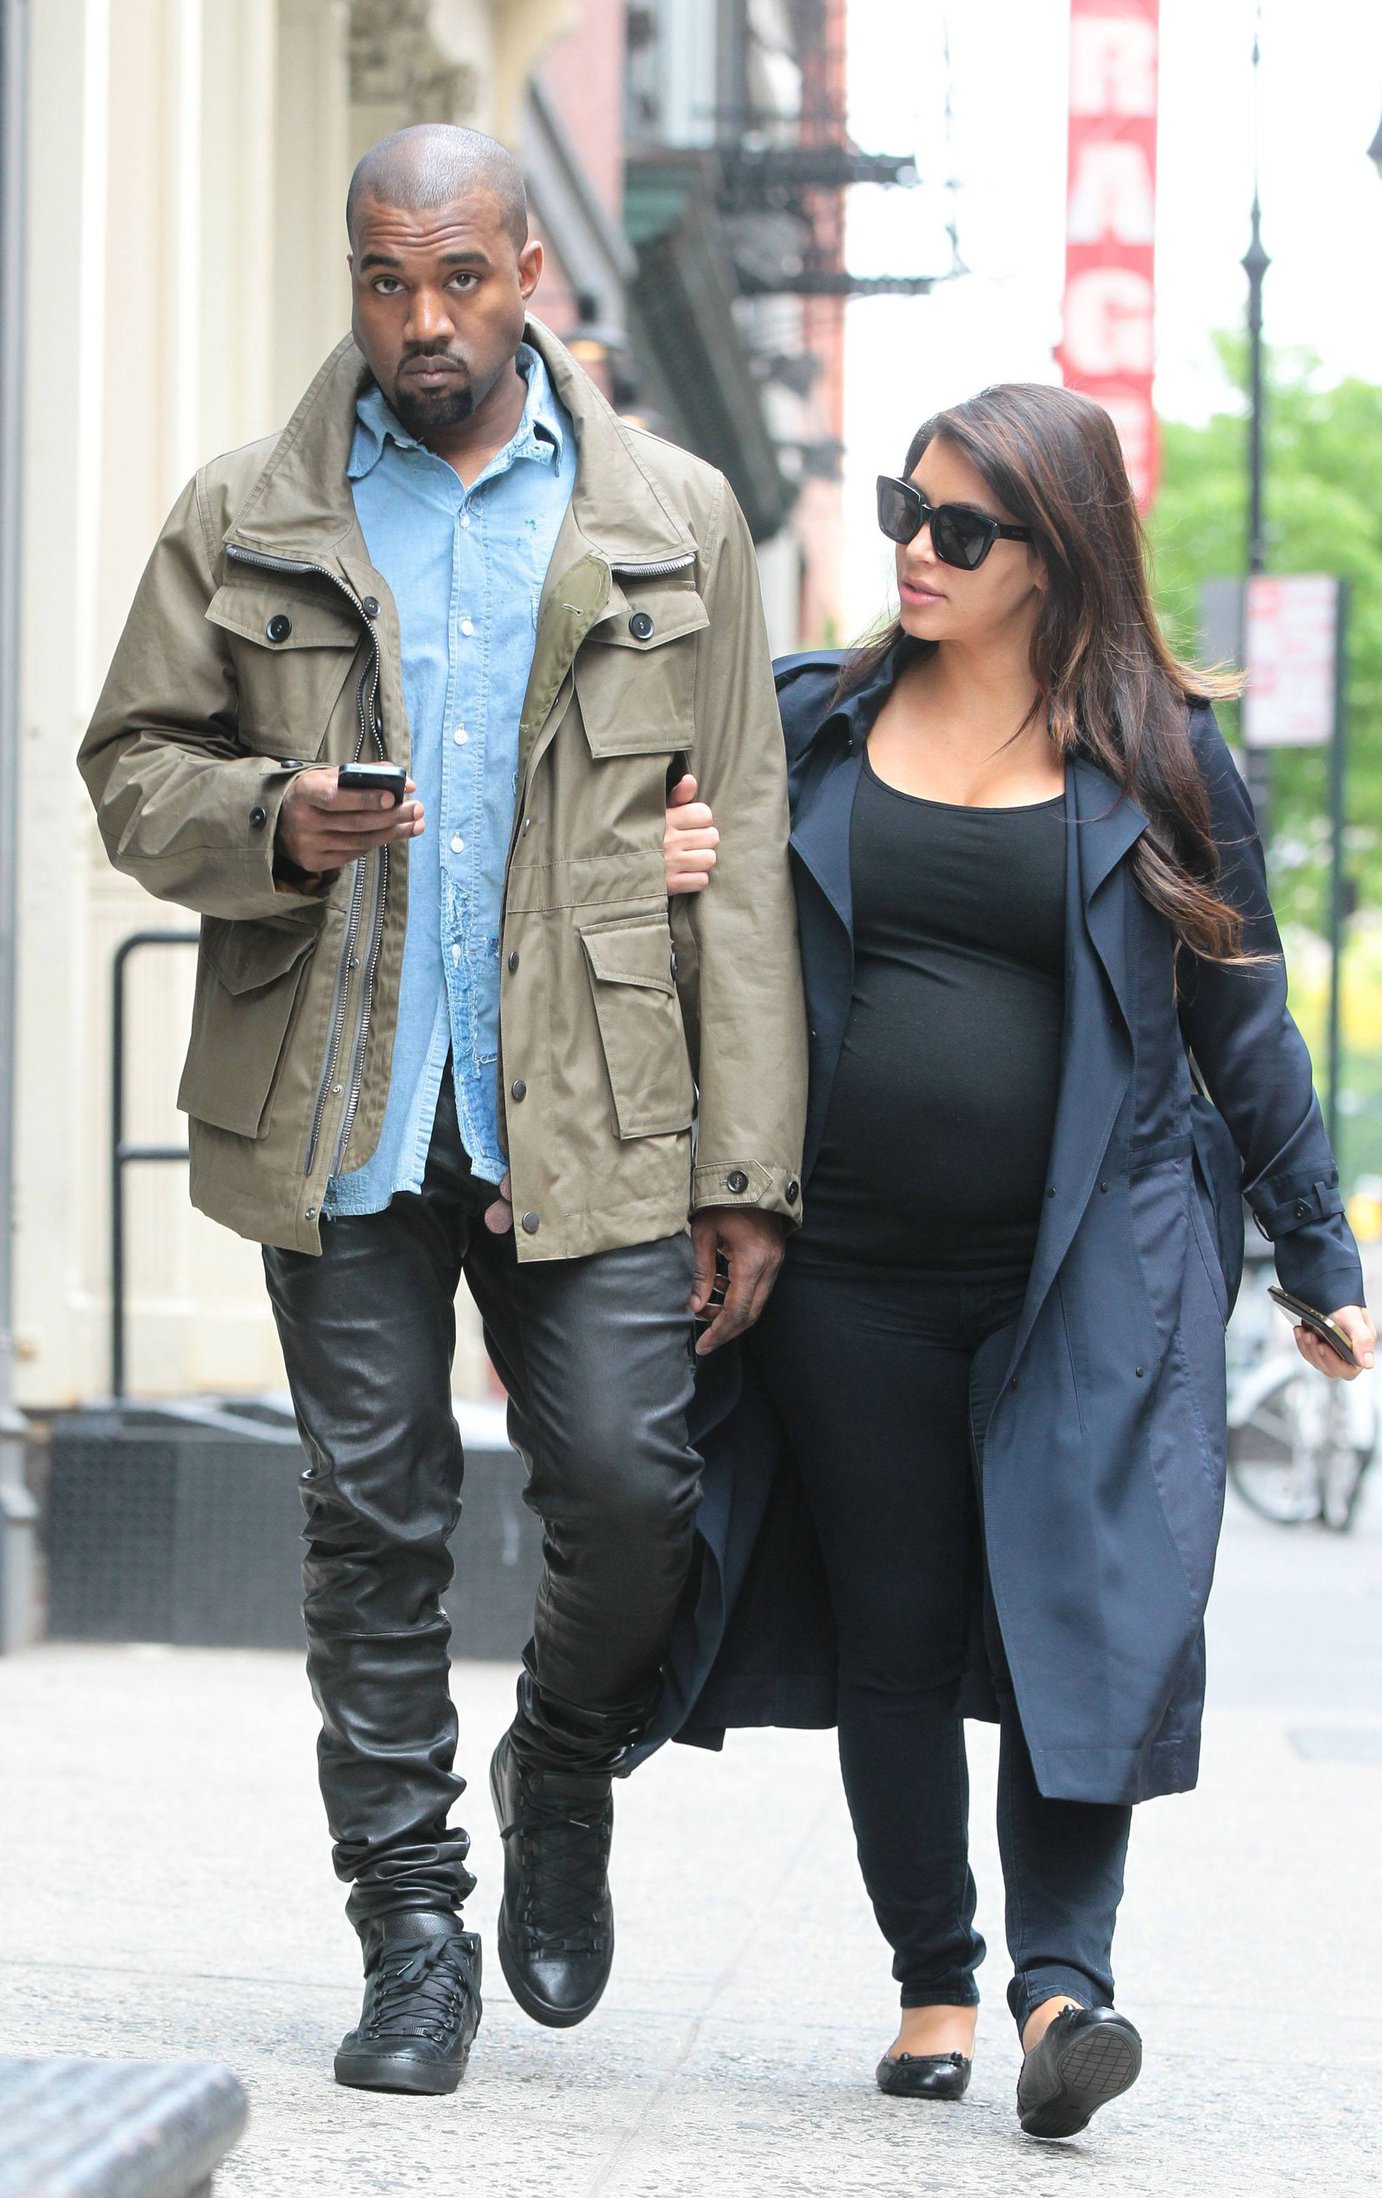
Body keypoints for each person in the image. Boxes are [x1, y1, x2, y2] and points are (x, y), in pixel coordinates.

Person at [79, 124, 806, 2097]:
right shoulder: (248, 511)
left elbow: (731, 849)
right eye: (387, 280)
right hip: (345, 1103)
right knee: (372, 1521)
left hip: (598, 1104)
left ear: (526, 276)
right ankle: (414, 1935)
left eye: (459, 278)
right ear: (356, 274)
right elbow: (133, 759)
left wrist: (746, 1164)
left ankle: (561, 1753)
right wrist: (268, 820)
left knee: (637, 1495)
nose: (422, 319)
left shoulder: (676, 515)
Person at [656, 381, 1373, 2140]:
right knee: (893, 1632)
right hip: (849, 1274)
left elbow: (1244, 1019)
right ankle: (933, 1980)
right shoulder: (815, 719)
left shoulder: (1162, 755)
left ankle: (1068, 1987)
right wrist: (671, 868)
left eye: (958, 529)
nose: (913, 548)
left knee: (1080, 1608)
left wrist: (1316, 1247)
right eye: (908, 509)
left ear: (1055, 556)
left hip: (1086, 1271)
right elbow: (696, 924)